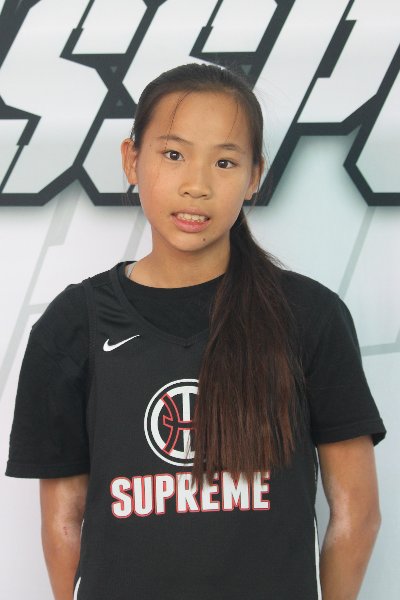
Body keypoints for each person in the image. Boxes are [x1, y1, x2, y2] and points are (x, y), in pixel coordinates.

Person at [6, 63, 385, 600]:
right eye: (173, 154)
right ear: (131, 159)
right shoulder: (72, 326)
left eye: (225, 162)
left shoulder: (309, 316)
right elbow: (63, 522)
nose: (197, 185)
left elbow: (356, 514)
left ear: (254, 176)